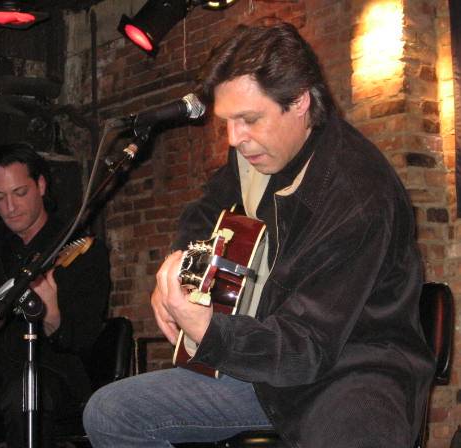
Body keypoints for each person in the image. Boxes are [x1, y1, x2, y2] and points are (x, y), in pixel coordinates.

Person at [83, 21, 435, 448]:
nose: (235, 140)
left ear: (300, 101)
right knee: (111, 413)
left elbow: (308, 348)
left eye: (248, 120)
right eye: (227, 122)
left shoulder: (358, 195)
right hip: (262, 360)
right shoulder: (256, 156)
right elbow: (205, 212)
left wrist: (211, 331)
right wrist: (180, 267)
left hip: (350, 371)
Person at [0, 143, 110, 447]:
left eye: (19, 193)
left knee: (22, 400)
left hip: (51, 370)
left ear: (40, 185)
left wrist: (52, 315)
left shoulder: (80, 247)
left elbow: (86, 339)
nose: (9, 207)